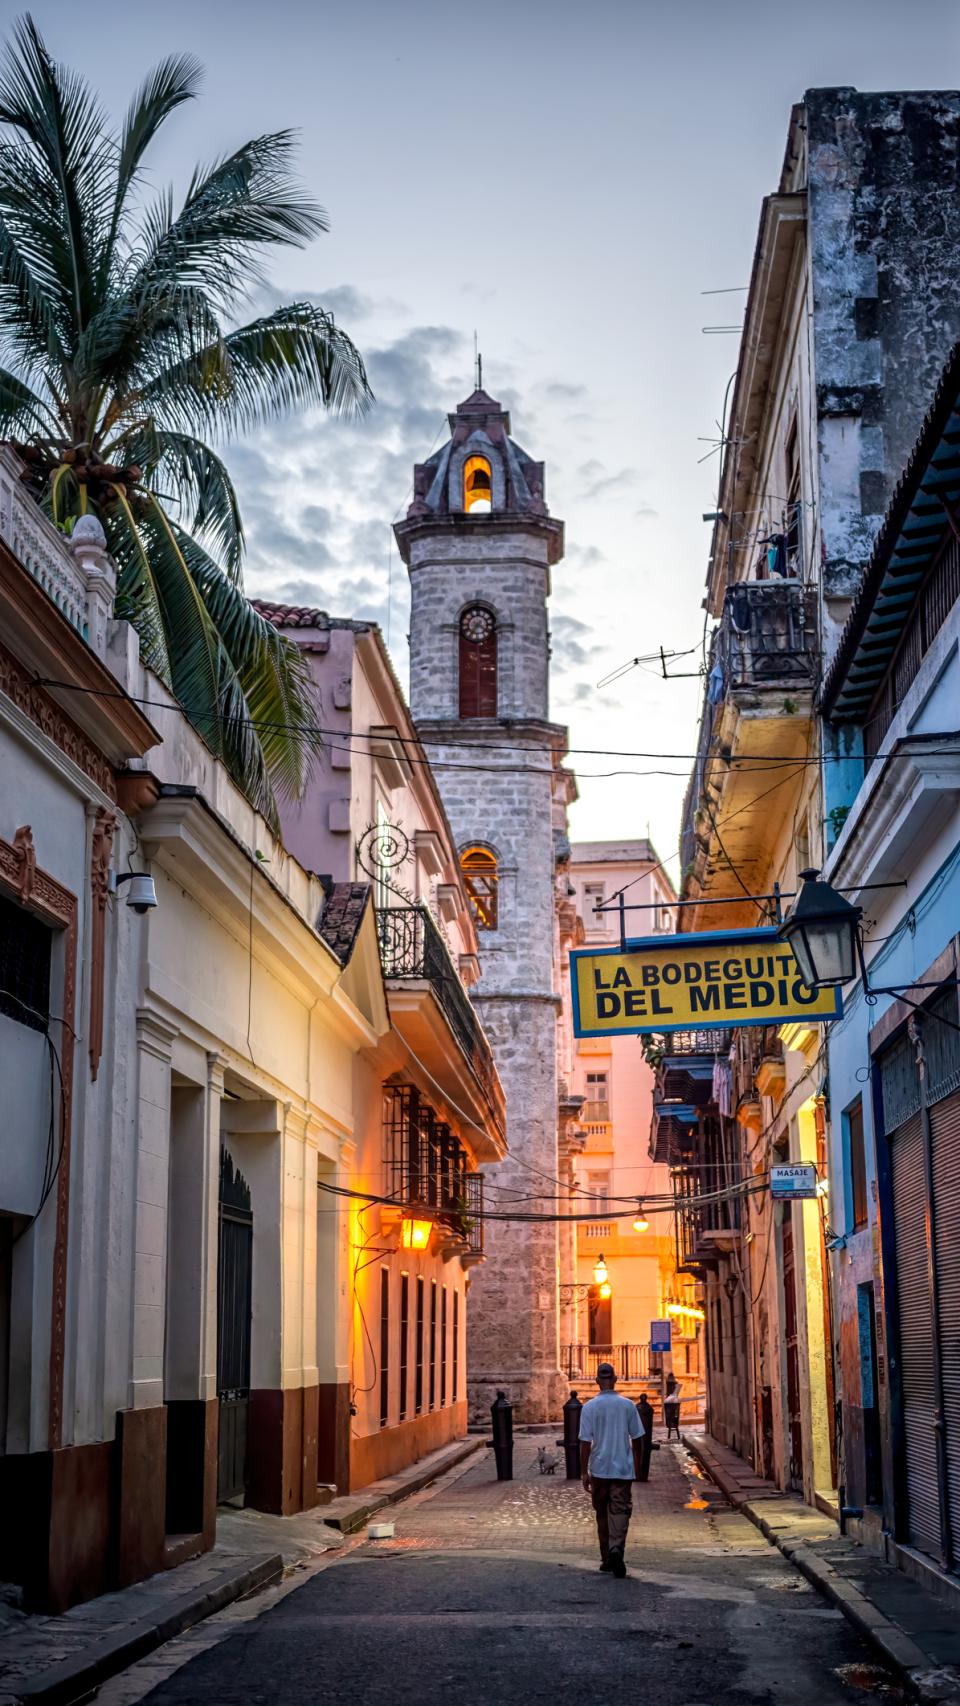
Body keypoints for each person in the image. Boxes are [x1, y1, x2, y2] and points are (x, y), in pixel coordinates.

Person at [578, 1361, 644, 1577]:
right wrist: (637, 1464)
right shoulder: (627, 1406)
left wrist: (583, 1472)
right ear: (615, 1380)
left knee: (602, 1513)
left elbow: (585, 1443)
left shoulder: (589, 1407)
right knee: (620, 1509)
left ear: (597, 1381)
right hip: (622, 1468)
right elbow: (638, 1439)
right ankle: (617, 1548)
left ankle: (607, 1557)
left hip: (599, 1468)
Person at [635, 1392, 655, 1481]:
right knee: (641, 1451)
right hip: (645, 1433)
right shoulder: (648, 1408)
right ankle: (641, 1475)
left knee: (639, 1452)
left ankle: (639, 1475)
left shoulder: (638, 1408)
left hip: (639, 1433)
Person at [663, 1372, 682, 1440]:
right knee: (674, 1415)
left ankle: (671, 1424)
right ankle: (673, 1424)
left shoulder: (669, 1382)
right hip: (673, 1403)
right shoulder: (673, 1382)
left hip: (671, 1403)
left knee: (674, 1415)